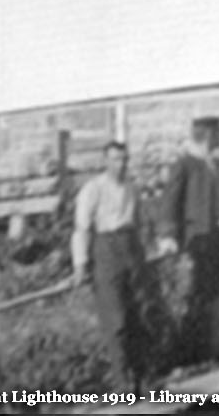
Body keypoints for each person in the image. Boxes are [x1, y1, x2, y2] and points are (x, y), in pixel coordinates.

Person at [157, 116, 219, 364]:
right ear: (207, 135)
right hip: (199, 239)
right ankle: (187, 354)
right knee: (198, 293)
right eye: (218, 134)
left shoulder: (212, 164)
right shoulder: (185, 165)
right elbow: (170, 201)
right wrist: (167, 235)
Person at [71, 140, 147, 394]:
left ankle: (141, 380)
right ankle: (121, 384)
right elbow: (82, 229)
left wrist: (144, 251)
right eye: (115, 159)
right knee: (116, 321)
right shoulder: (93, 189)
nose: (121, 164)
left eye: (124, 159)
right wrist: (80, 264)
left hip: (130, 249)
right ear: (105, 161)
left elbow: (138, 222)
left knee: (137, 315)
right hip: (105, 250)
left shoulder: (132, 188)